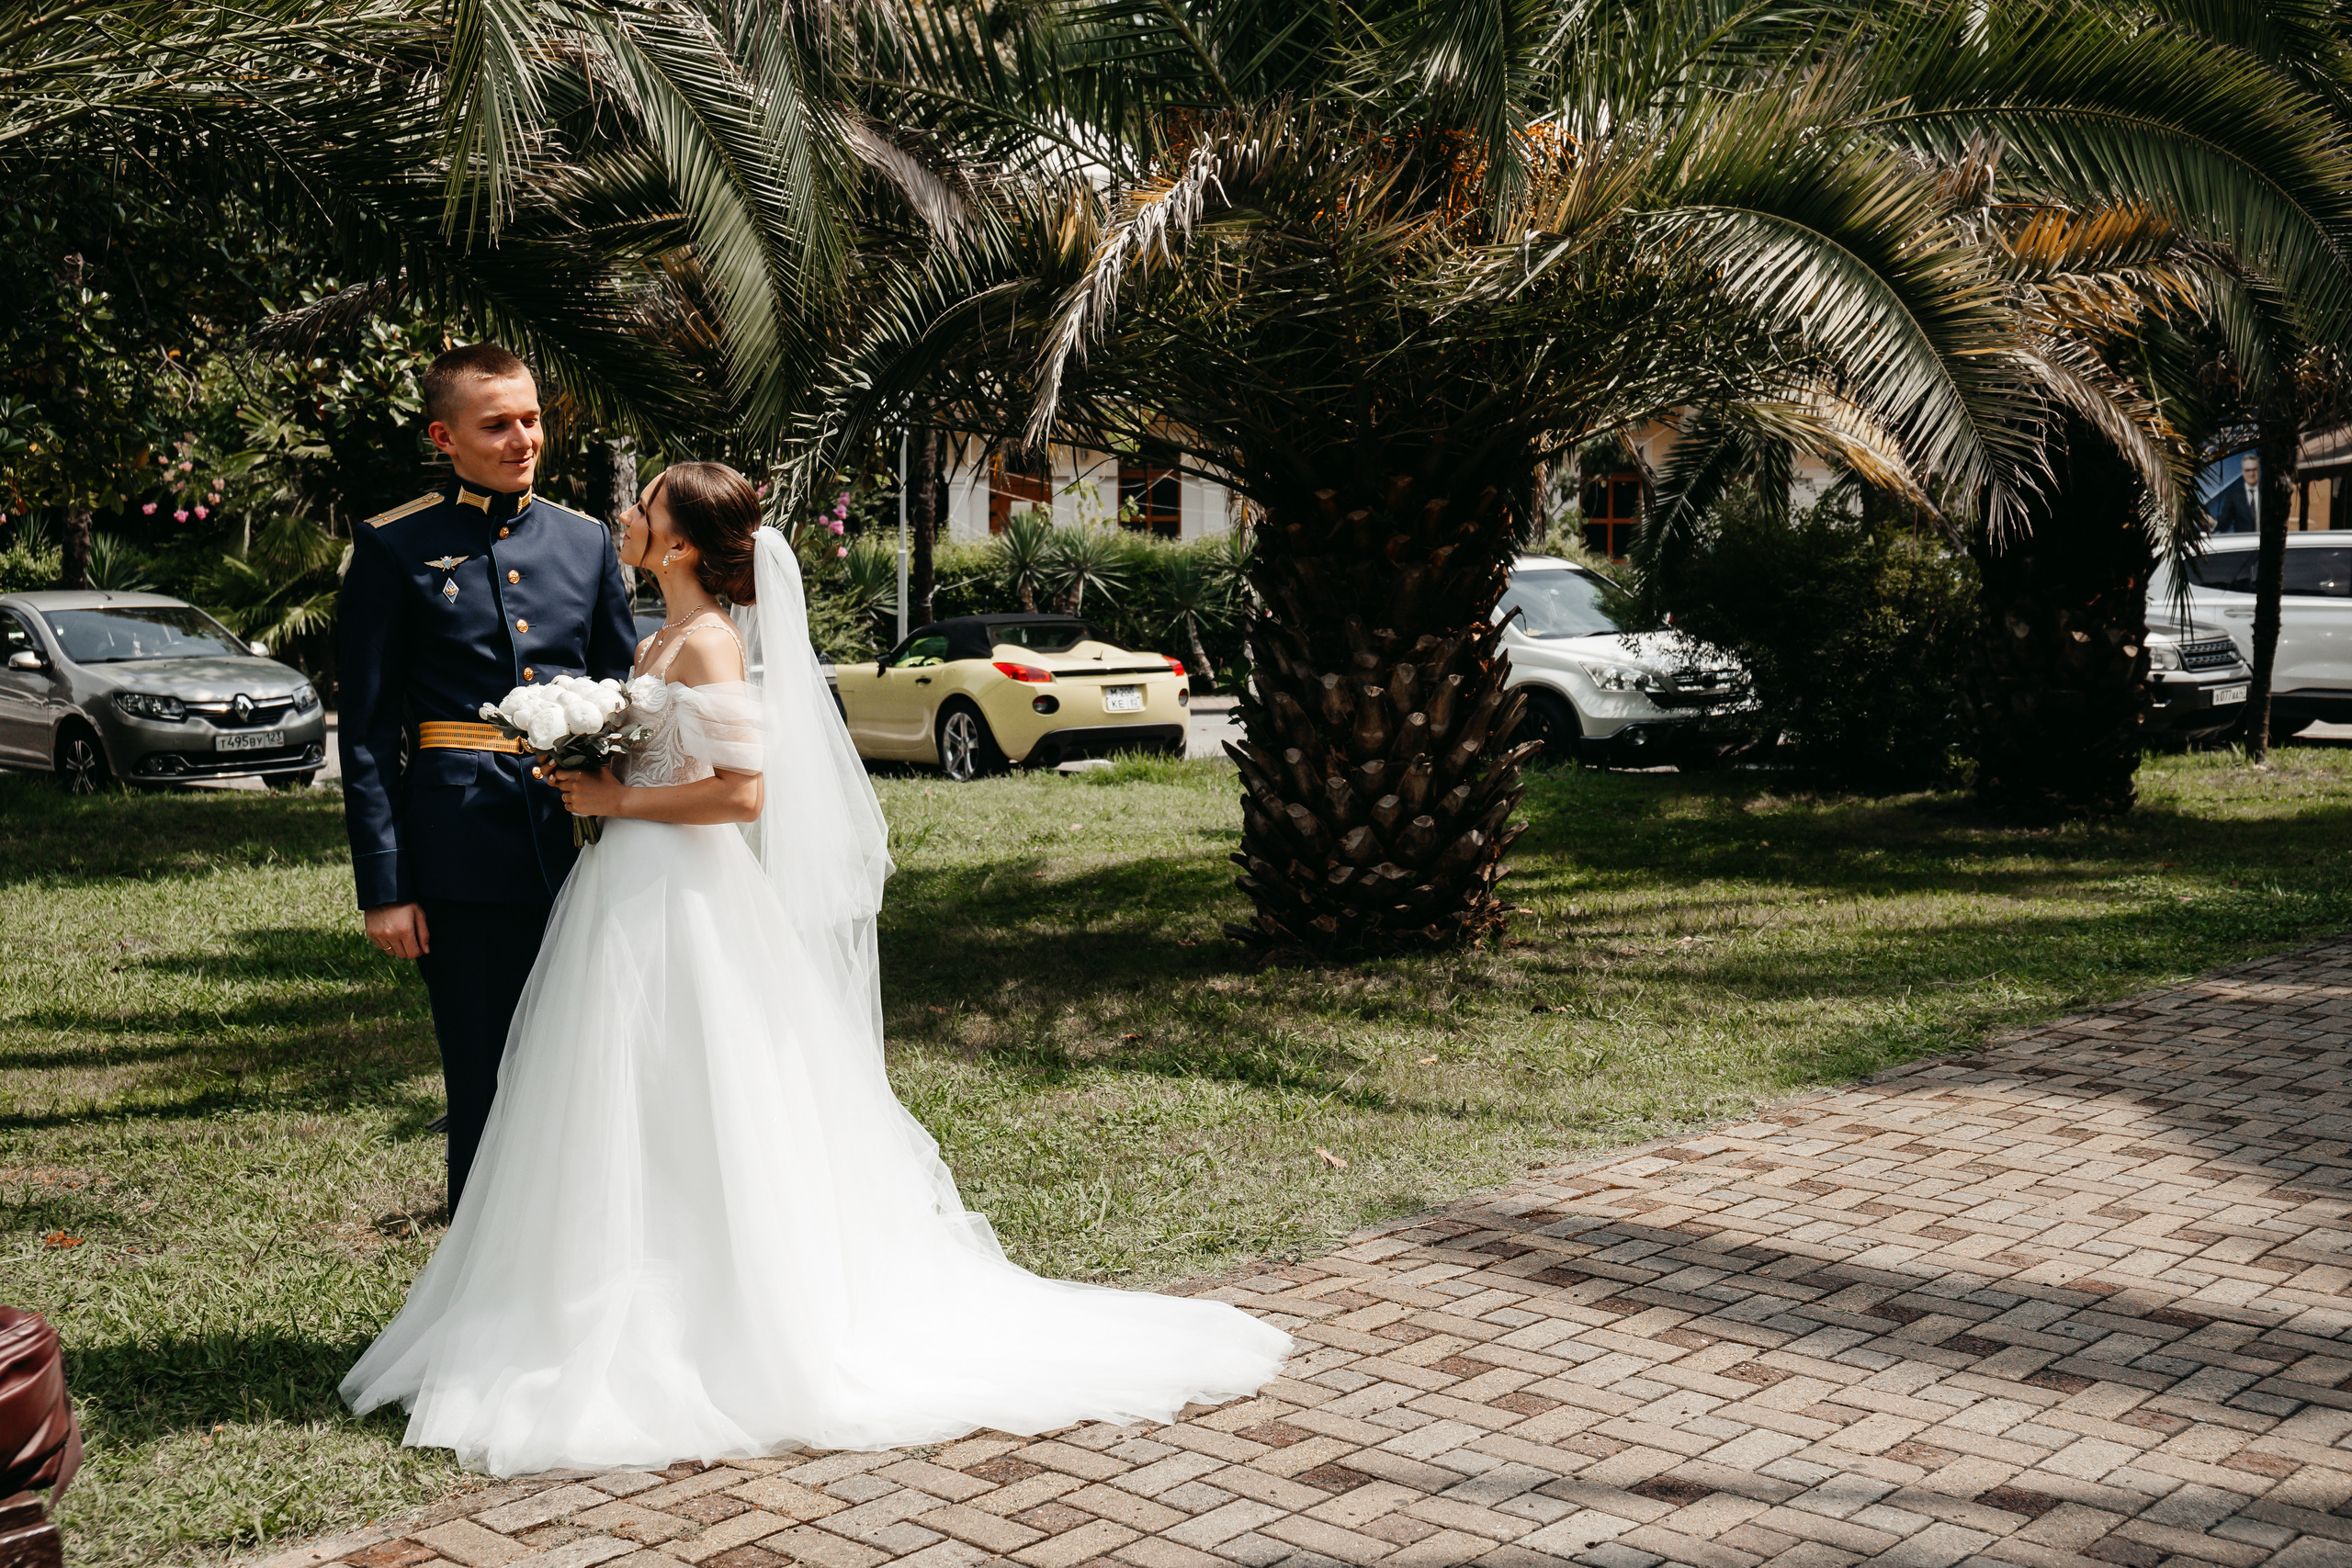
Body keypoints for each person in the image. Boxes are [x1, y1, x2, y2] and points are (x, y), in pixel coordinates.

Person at [341, 464, 1289, 1476]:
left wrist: (614, 804)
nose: (626, 515)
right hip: (624, 892)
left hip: (680, 896)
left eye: (646, 505)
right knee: (624, 1102)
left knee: (697, 1097)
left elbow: (743, 798)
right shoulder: (655, 637)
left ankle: (720, 1323)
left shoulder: (705, 643)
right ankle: (600, 1299)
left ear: (681, 543)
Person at [337, 344, 637, 1213]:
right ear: (445, 436)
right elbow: (365, 735)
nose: (521, 439)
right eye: (495, 424)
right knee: (483, 1079)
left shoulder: (583, 543)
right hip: (459, 854)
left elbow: (624, 696)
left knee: (590, 1072)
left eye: (531, 418)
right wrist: (385, 887)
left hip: (582, 845)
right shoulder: (394, 546)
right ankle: (481, 1294)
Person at [2207, 452, 2262, 535]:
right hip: (2244, 545)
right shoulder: (2234, 496)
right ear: (2243, 472)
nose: (2251, 474)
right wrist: (2212, 522)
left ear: (2258, 471)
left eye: (2254, 469)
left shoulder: (2268, 493)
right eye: (2248, 470)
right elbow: (2224, 524)